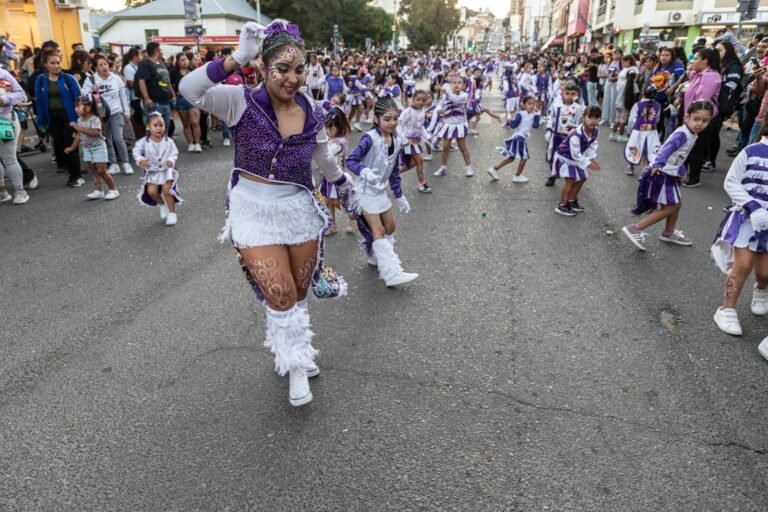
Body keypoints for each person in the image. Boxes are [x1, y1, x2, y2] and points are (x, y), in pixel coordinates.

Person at [179, 19, 353, 407]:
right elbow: (188, 89)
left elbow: (322, 155)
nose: (292, 78)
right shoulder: (240, 101)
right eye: (283, 69)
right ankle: (293, 366)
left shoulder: (312, 109)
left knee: (298, 292)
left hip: (299, 210)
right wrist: (236, 57)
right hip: (252, 211)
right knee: (279, 292)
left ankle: (295, 347)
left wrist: (343, 184)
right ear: (263, 68)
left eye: (299, 69)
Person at [622, 100, 714, 251]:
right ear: (687, 117)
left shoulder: (691, 134)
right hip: (661, 173)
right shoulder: (683, 134)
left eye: (705, 120)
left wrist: (682, 170)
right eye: (696, 119)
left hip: (670, 172)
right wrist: (658, 164)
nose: (700, 124)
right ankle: (636, 228)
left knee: (676, 205)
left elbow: (679, 155)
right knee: (670, 207)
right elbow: (666, 149)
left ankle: (668, 232)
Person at [346, 96, 418, 287]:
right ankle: (391, 273)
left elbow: (394, 171)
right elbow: (351, 160)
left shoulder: (396, 140)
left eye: (395, 118)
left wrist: (400, 195)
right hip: (364, 191)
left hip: (379, 191)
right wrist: (364, 170)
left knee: (390, 228)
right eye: (387, 118)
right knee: (378, 229)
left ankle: (374, 253)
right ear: (376, 119)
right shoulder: (369, 138)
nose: (392, 122)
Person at [711, 124, 768, 336]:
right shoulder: (751, 151)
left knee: (765, 273)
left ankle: (761, 290)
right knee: (742, 266)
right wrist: (753, 206)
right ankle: (726, 309)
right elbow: (731, 182)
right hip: (747, 219)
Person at [34, 49, 84, 187]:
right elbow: (39, 101)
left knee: (71, 146)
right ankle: (71, 172)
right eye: (53, 63)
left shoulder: (69, 79)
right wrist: (41, 122)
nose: (56, 65)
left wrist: (79, 119)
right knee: (61, 147)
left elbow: (79, 99)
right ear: (45, 64)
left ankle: (76, 176)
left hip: (69, 117)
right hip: (52, 118)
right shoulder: (41, 80)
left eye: (58, 62)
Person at [85, 54, 133, 175]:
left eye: (105, 64)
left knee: (118, 138)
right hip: (101, 115)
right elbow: (83, 97)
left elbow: (124, 96)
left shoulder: (115, 78)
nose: (104, 67)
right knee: (107, 140)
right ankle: (113, 163)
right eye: (100, 65)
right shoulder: (91, 80)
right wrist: (92, 91)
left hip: (117, 112)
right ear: (96, 67)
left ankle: (126, 163)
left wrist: (126, 112)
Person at [65, 95, 120, 201]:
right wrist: (72, 148)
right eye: (75, 106)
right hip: (87, 148)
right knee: (94, 172)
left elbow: (95, 133)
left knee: (101, 171)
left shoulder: (95, 119)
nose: (75, 109)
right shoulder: (79, 119)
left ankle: (113, 190)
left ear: (88, 107)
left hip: (98, 147)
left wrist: (78, 128)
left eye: (78, 106)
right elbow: (79, 136)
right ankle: (99, 190)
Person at [682, 48, 721, 188]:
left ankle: (694, 178)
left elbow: (702, 101)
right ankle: (683, 173)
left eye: (697, 58)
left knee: (696, 148)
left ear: (705, 60)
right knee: (688, 145)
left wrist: (696, 121)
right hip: (692, 117)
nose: (694, 61)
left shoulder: (711, 76)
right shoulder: (700, 75)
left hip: (702, 118)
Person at [133, 112, 182, 225]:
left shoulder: (169, 142)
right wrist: (141, 160)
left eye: (162, 125)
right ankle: (161, 204)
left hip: (167, 170)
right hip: (152, 170)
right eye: (155, 125)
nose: (159, 128)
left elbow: (174, 152)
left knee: (167, 190)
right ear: (148, 127)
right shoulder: (143, 142)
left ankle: (172, 213)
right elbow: (136, 152)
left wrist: (171, 160)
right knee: (152, 192)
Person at [553, 105, 601, 217]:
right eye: (590, 117)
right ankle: (562, 205)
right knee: (571, 179)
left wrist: (591, 158)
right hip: (565, 157)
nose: (593, 121)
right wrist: (589, 163)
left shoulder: (595, 131)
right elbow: (575, 155)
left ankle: (571, 200)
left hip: (576, 158)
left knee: (583, 177)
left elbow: (592, 144)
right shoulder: (576, 135)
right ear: (583, 117)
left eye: (597, 118)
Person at [705, 41, 743, 172]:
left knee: (714, 132)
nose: (717, 52)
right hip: (713, 103)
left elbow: (732, 86)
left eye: (720, 50)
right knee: (708, 132)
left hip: (723, 104)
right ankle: (706, 158)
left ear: (728, 51)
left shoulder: (733, 66)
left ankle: (711, 161)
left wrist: (715, 86)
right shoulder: (717, 65)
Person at [487, 95, 539, 183]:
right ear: (524, 105)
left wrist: (537, 115)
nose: (532, 106)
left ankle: (494, 169)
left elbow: (536, 126)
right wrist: (512, 118)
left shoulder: (532, 115)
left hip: (520, 138)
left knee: (511, 158)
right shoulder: (520, 114)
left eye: (533, 104)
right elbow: (513, 125)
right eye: (529, 104)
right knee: (524, 158)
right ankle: (517, 176)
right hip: (519, 138)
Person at [318, 106, 354, 234]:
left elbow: (328, 154)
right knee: (328, 201)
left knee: (341, 203)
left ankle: (354, 217)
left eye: (326, 129)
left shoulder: (340, 142)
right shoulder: (329, 140)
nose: (325, 131)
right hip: (327, 177)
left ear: (333, 128)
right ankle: (332, 224)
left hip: (339, 178)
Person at [0, 66, 30, 204]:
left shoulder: (3, 74)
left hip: (5, 121)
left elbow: (21, 94)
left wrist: (4, 99)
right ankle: (2, 192)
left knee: (9, 159)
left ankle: (20, 191)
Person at [545, 81, 584, 187]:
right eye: (567, 93)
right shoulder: (556, 105)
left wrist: (578, 136)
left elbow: (579, 123)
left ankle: (571, 176)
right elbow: (551, 118)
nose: (569, 96)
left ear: (576, 94)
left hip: (569, 137)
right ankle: (553, 174)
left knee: (570, 157)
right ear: (562, 92)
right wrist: (549, 130)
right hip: (557, 134)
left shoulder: (578, 108)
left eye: (572, 94)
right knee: (553, 156)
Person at [432, 76, 473, 177]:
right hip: (448, 124)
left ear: (463, 85)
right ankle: (443, 168)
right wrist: (439, 109)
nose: (457, 84)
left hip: (459, 124)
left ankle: (468, 167)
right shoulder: (447, 95)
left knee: (462, 147)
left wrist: (446, 91)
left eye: (459, 83)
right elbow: (440, 104)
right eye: (454, 82)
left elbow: (455, 100)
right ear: (451, 84)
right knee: (445, 147)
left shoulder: (464, 95)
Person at [397, 90, 432, 193]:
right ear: (413, 99)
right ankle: (421, 184)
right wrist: (404, 140)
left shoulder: (422, 111)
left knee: (410, 164)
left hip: (416, 141)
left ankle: (391, 175)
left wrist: (427, 136)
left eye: (423, 100)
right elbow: (398, 126)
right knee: (420, 160)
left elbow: (420, 128)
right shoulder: (407, 112)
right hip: (407, 141)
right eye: (418, 100)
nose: (420, 102)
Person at [136, 42, 174, 133]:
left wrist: (173, 94)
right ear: (156, 51)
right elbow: (141, 80)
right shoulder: (145, 63)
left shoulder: (161, 63)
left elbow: (167, 81)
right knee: (153, 130)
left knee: (165, 129)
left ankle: (163, 147)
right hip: (154, 103)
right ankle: (150, 147)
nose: (162, 51)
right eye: (161, 49)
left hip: (166, 102)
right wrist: (146, 98)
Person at [623, 85, 662, 176]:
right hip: (651, 132)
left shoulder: (638, 105)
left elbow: (632, 120)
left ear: (643, 93)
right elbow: (657, 120)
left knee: (634, 147)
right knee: (648, 149)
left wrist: (629, 131)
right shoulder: (658, 106)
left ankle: (631, 166)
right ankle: (645, 168)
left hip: (638, 131)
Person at [170, 53, 202, 152]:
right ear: (178, 62)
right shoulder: (173, 73)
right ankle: (190, 143)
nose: (185, 61)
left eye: (186, 59)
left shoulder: (194, 71)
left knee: (195, 122)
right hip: (181, 99)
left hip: (192, 98)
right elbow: (170, 84)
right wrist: (174, 94)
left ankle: (197, 143)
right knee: (186, 123)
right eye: (182, 60)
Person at [611, 54, 639, 143]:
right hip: (625, 103)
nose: (623, 63)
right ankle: (621, 135)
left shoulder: (623, 83)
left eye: (624, 61)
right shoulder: (633, 85)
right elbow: (636, 94)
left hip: (618, 102)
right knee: (623, 120)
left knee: (617, 119)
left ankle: (613, 134)